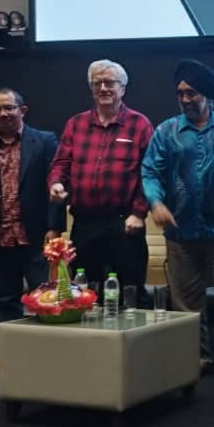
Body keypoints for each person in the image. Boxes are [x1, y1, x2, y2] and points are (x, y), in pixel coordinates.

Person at [142, 58, 214, 382]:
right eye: (181, 93)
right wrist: (156, 202)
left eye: (192, 93)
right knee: (186, 302)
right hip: (180, 231)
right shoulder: (166, 131)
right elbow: (150, 171)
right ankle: (197, 355)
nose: (186, 99)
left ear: (208, 96)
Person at [0, 89, 66, 372]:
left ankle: (47, 358)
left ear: (22, 110)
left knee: (44, 300)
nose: (3, 114)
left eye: (9, 108)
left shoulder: (44, 141)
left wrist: (54, 226)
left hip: (35, 235)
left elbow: (56, 182)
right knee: (5, 300)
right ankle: (12, 356)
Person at [48, 59, 153, 307]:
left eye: (110, 83)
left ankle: (133, 343)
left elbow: (150, 172)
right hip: (84, 224)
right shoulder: (76, 123)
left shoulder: (139, 124)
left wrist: (139, 212)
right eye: (97, 83)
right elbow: (60, 163)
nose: (104, 88)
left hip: (124, 223)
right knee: (84, 291)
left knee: (130, 291)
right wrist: (56, 184)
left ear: (123, 89)